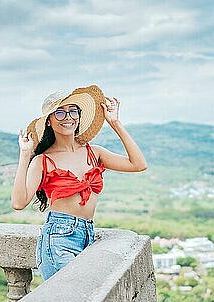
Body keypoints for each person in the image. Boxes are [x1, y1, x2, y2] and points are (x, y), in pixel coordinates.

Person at [11, 84, 147, 281]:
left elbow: (138, 164)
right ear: (48, 121)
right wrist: (25, 155)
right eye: (60, 113)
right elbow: (18, 202)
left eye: (72, 111)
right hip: (59, 239)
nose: (68, 117)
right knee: (70, 299)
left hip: (87, 234)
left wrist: (115, 122)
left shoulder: (94, 152)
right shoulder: (43, 160)